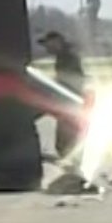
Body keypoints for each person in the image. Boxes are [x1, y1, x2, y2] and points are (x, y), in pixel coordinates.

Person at [38, 30, 87, 159]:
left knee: (66, 140)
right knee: (66, 140)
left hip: (70, 101)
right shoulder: (64, 57)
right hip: (69, 101)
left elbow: (71, 81)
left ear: (57, 42)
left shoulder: (68, 58)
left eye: (48, 44)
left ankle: (73, 161)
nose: (46, 48)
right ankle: (72, 159)